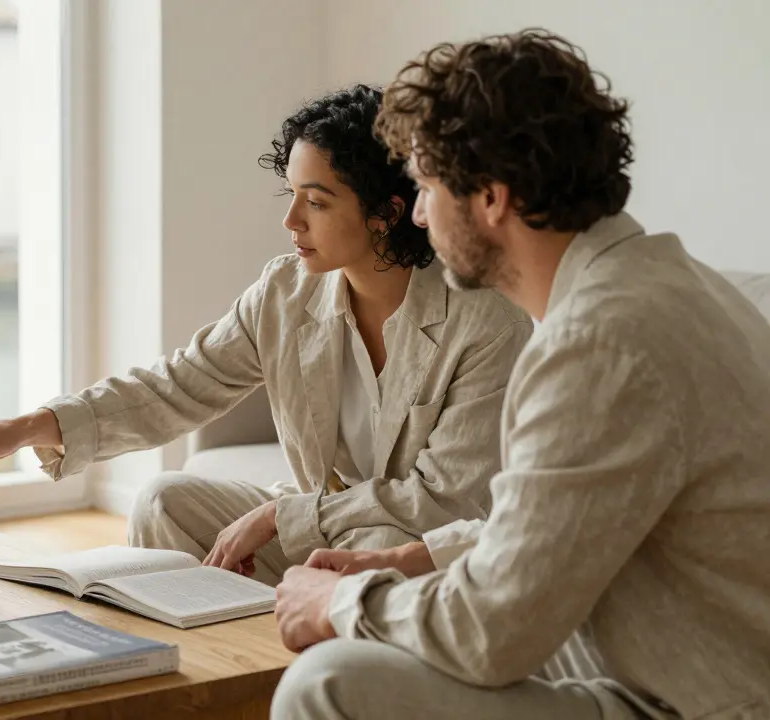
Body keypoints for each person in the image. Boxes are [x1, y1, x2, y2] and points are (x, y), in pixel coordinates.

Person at [270, 29, 770, 720]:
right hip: (679, 652)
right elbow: (564, 520)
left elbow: (491, 633)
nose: (416, 213)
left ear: (492, 198)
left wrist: (338, 604)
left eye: (424, 186)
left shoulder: (598, 343)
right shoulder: (671, 285)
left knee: (327, 683)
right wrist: (414, 558)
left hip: (704, 701)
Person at [0, 85, 531, 586]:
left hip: (418, 554)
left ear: (387, 213)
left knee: (376, 547)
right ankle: (211, 664)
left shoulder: (485, 321)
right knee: (165, 500)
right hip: (326, 531)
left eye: (315, 201)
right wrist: (24, 428)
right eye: (290, 195)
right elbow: (175, 386)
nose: (290, 221)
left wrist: (275, 516)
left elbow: (443, 503)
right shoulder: (285, 292)